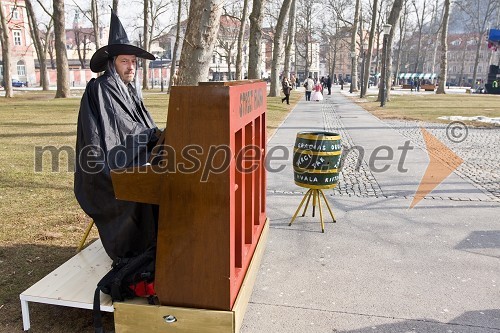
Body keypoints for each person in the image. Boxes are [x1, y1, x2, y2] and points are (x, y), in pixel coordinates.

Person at [74, 11, 161, 262]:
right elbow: (112, 136)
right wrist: (149, 138)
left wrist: (157, 137)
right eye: (125, 62)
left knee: (165, 177)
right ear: (112, 63)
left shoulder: (131, 91)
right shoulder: (100, 90)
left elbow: (139, 127)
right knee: (140, 188)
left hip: (134, 158)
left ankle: (159, 244)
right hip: (104, 170)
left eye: (134, 62)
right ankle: (139, 253)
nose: (131, 67)